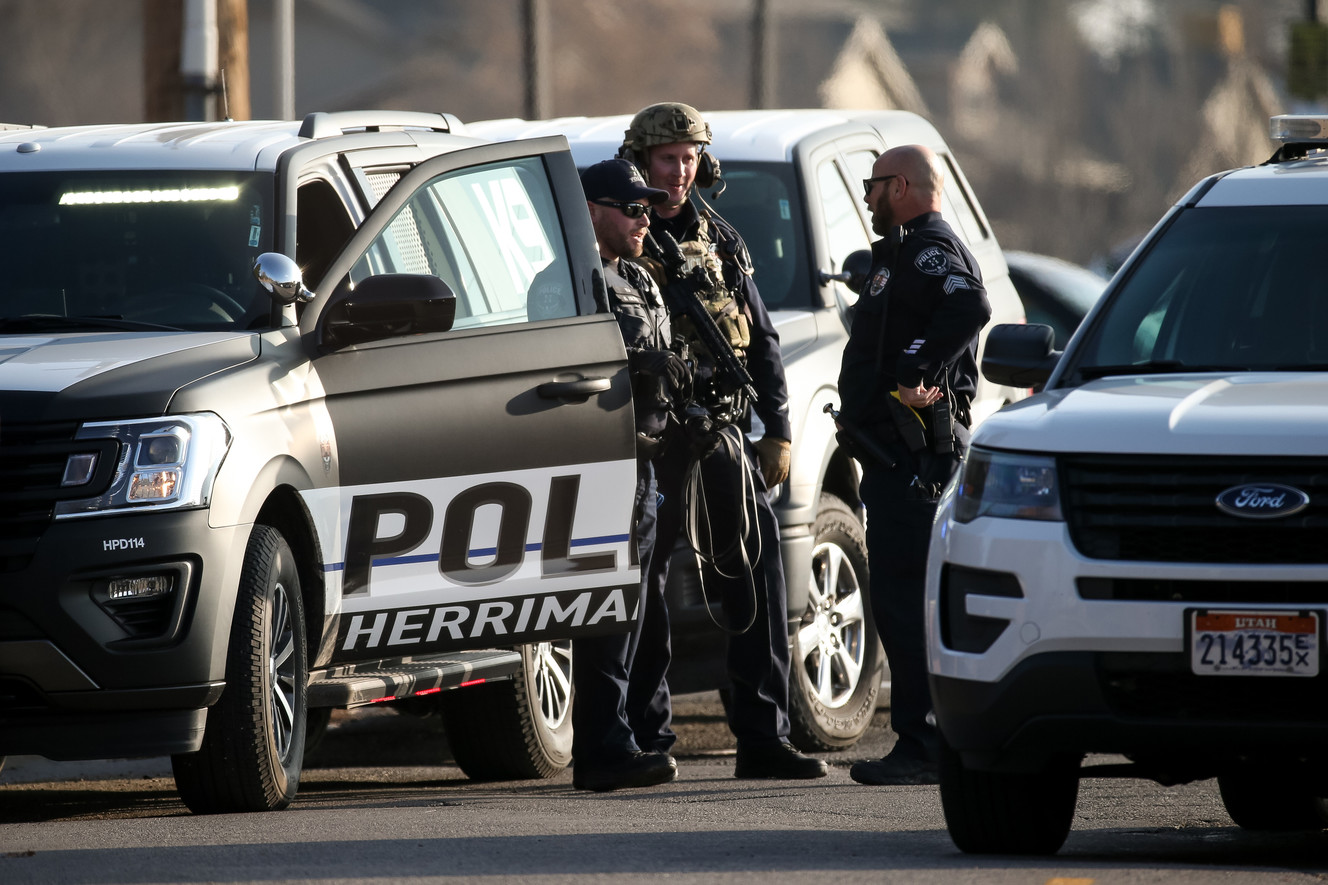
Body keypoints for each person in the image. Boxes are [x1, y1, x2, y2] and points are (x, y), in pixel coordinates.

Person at [619, 102, 826, 780]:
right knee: (645, 584)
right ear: (641, 162)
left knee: (755, 571)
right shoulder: (623, 235)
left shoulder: (720, 239)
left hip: (722, 434)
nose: (678, 173)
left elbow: (760, 341)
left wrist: (781, 432)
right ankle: (647, 735)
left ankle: (763, 735)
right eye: (665, 160)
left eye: (688, 159)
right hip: (651, 441)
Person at [837, 144, 992, 786]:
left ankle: (923, 741)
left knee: (906, 595)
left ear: (899, 186)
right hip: (889, 450)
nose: (868, 197)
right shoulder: (900, 252)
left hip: (912, 452)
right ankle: (924, 736)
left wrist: (915, 368)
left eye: (874, 185)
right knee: (900, 593)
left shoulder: (930, 248)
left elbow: (972, 306)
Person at [568, 158, 689, 792]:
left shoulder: (637, 277)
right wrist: (642, 364)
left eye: (647, 208)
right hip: (600, 466)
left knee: (633, 609)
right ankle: (602, 747)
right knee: (605, 613)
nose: (645, 218)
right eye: (631, 208)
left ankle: (619, 734)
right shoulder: (569, 282)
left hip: (645, 465)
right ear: (592, 211)